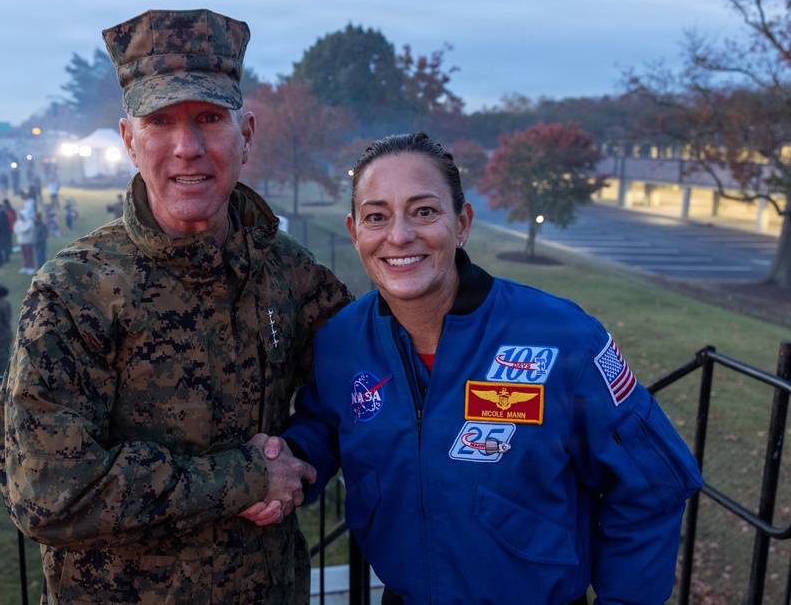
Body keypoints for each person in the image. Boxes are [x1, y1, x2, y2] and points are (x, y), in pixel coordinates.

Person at [0, 8, 351, 604]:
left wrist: (302, 456)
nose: (188, 148)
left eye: (210, 118)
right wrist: (248, 477)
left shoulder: (288, 270)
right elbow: (47, 490)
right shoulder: (76, 289)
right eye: (160, 121)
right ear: (130, 141)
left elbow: (362, 379)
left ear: (247, 134)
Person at [246, 132, 704, 605]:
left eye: (424, 211)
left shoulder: (562, 338)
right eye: (377, 216)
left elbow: (654, 487)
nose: (399, 236)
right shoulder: (343, 342)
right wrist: (294, 458)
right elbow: (329, 422)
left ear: (461, 223)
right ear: (354, 231)